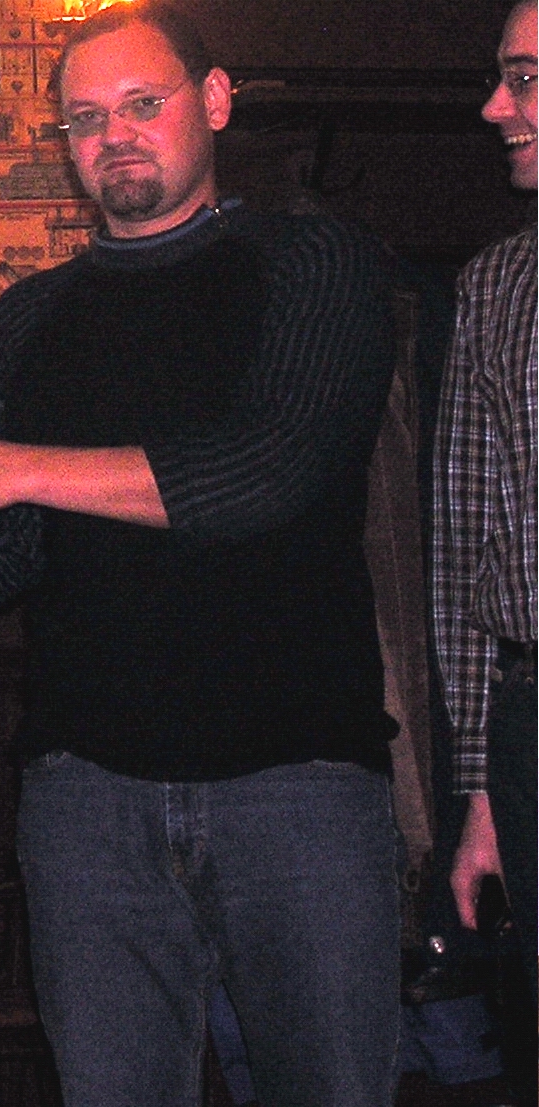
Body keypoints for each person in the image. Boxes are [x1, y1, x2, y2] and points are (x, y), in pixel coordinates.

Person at [0, 2, 403, 1104]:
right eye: (86, 119)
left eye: (142, 104)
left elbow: (262, 474)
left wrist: (10, 467)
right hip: (85, 800)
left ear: (215, 101)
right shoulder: (33, 315)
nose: (115, 135)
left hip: (298, 788)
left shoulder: (316, 260)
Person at [433, 0, 537, 1004]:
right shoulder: (496, 287)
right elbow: (469, 548)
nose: (496, 106)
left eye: (527, 77)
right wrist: (481, 796)